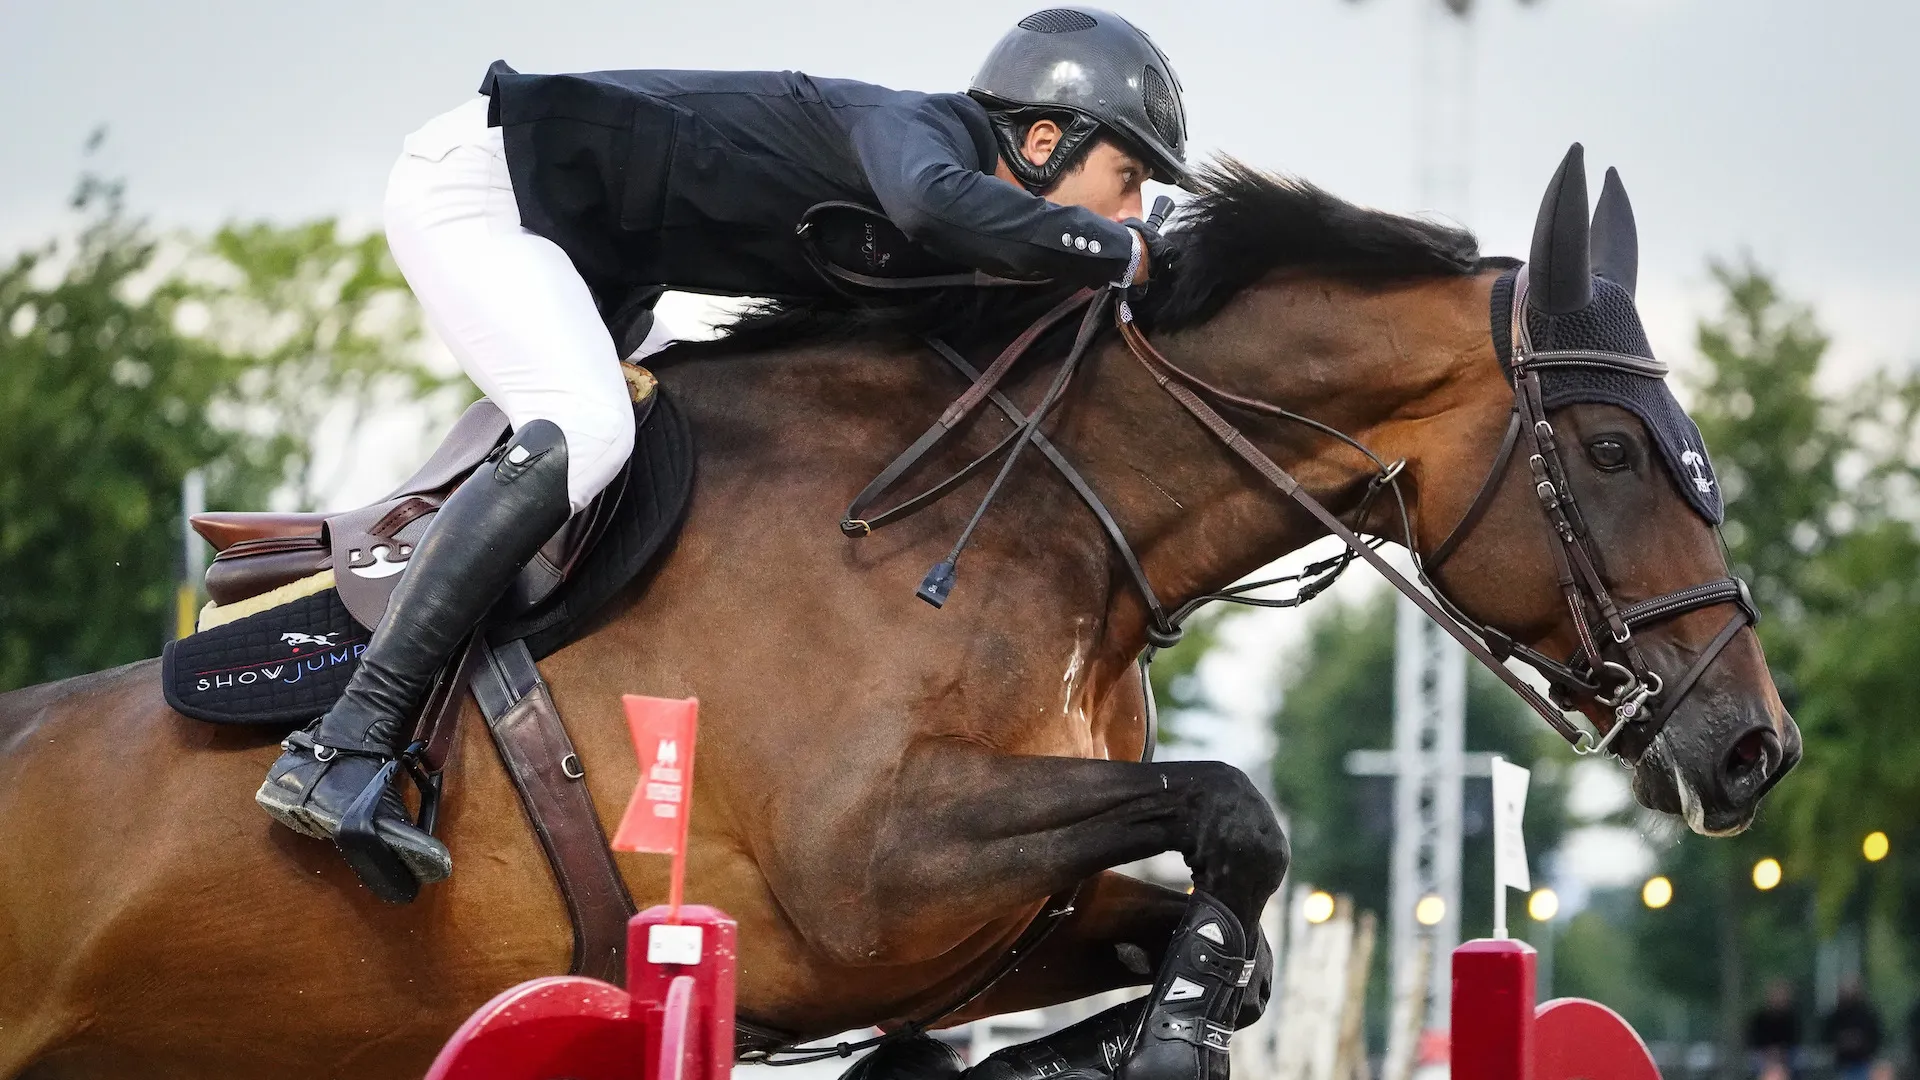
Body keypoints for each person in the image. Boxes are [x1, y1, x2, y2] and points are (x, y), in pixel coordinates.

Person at [254, 7, 1191, 899]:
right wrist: (1124, 253)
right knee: (588, 429)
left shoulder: (945, 237)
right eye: (1130, 178)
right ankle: (347, 742)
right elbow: (935, 203)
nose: (1135, 207)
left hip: (592, 263)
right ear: (1042, 142)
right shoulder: (918, 133)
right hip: (488, 190)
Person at [1822, 978, 1884, 1080]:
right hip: (1842, 1064)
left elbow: (1875, 1036)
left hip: (1862, 1062)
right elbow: (1827, 1035)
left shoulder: (1867, 1015)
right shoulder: (1836, 1016)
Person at [1747, 978, 1801, 1079]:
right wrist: (1770, 1051)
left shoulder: (1791, 1018)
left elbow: (1794, 1038)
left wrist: (1780, 1052)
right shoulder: (1760, 1017)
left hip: (1786, 1052)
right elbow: (1756, 1038)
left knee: (1798, 1061)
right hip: (1763, 1052)